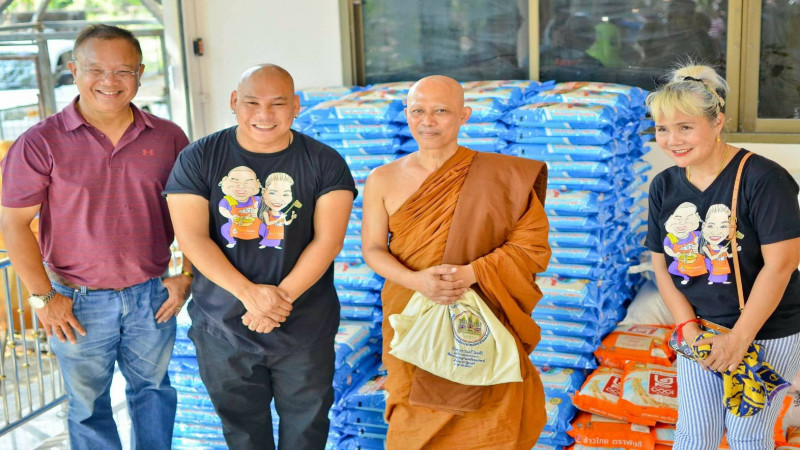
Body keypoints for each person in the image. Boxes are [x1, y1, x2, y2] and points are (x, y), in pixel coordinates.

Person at [0, 24, 191, 450]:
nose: (109, 81)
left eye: (123, 71)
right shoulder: (39, 142)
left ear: (140, 74)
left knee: (155, 394)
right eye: (95, 69)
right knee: (87, 406)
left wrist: (187, 274)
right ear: (72, 70)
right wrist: (44, 297)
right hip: (76, 301)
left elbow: (196, 213)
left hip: (151, 297)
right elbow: (13, 224)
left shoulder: (168, 137)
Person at [163, 64, 356, 449]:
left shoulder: (325, 161)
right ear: (235, 102)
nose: (264, 114)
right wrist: (250, 295)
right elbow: (192, 238)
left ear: (296, 106)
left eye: (278, 103)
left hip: (304, 326)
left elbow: (328, 242)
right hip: (224, 326)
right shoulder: (198, 157)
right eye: (252, 102)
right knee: (243, 433)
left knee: (307, 429)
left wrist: (276, 301)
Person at [361, 75, 550, 449]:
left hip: (485, 322)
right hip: (413, 323)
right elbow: (372, 250)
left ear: (464, 115)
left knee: (491, 427)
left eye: (441, 111)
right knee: (412, 426)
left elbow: (532, 247)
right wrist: (418, 281)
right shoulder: (382, 179)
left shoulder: (502, 176)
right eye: (418, 111)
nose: (427, 120)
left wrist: (470, 273)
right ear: (406, 114)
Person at [646, 63, 800, 448]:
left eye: (685, 127)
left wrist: (739, 339)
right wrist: (688, 328)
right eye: (663, 129)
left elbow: (781, 265)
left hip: (767, 329)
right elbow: (661, 265)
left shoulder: (763, 178)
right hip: (700, 330)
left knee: (748, 435)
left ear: (717, 122)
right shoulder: (664, 185)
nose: (672, 140)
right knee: (694, 435)